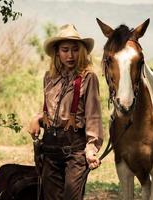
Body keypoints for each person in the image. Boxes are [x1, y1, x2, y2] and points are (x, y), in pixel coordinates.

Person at [28, 24, 103, 200]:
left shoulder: (88, 78)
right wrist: (37, 118)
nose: (70, 55)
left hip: (74, 150)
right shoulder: (49, 77)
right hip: (49, 148)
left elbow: (93, 115)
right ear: (57, 52)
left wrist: (92, 148)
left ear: (82, 52)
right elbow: (52, 110)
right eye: (65, 50)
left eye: (75, 50)